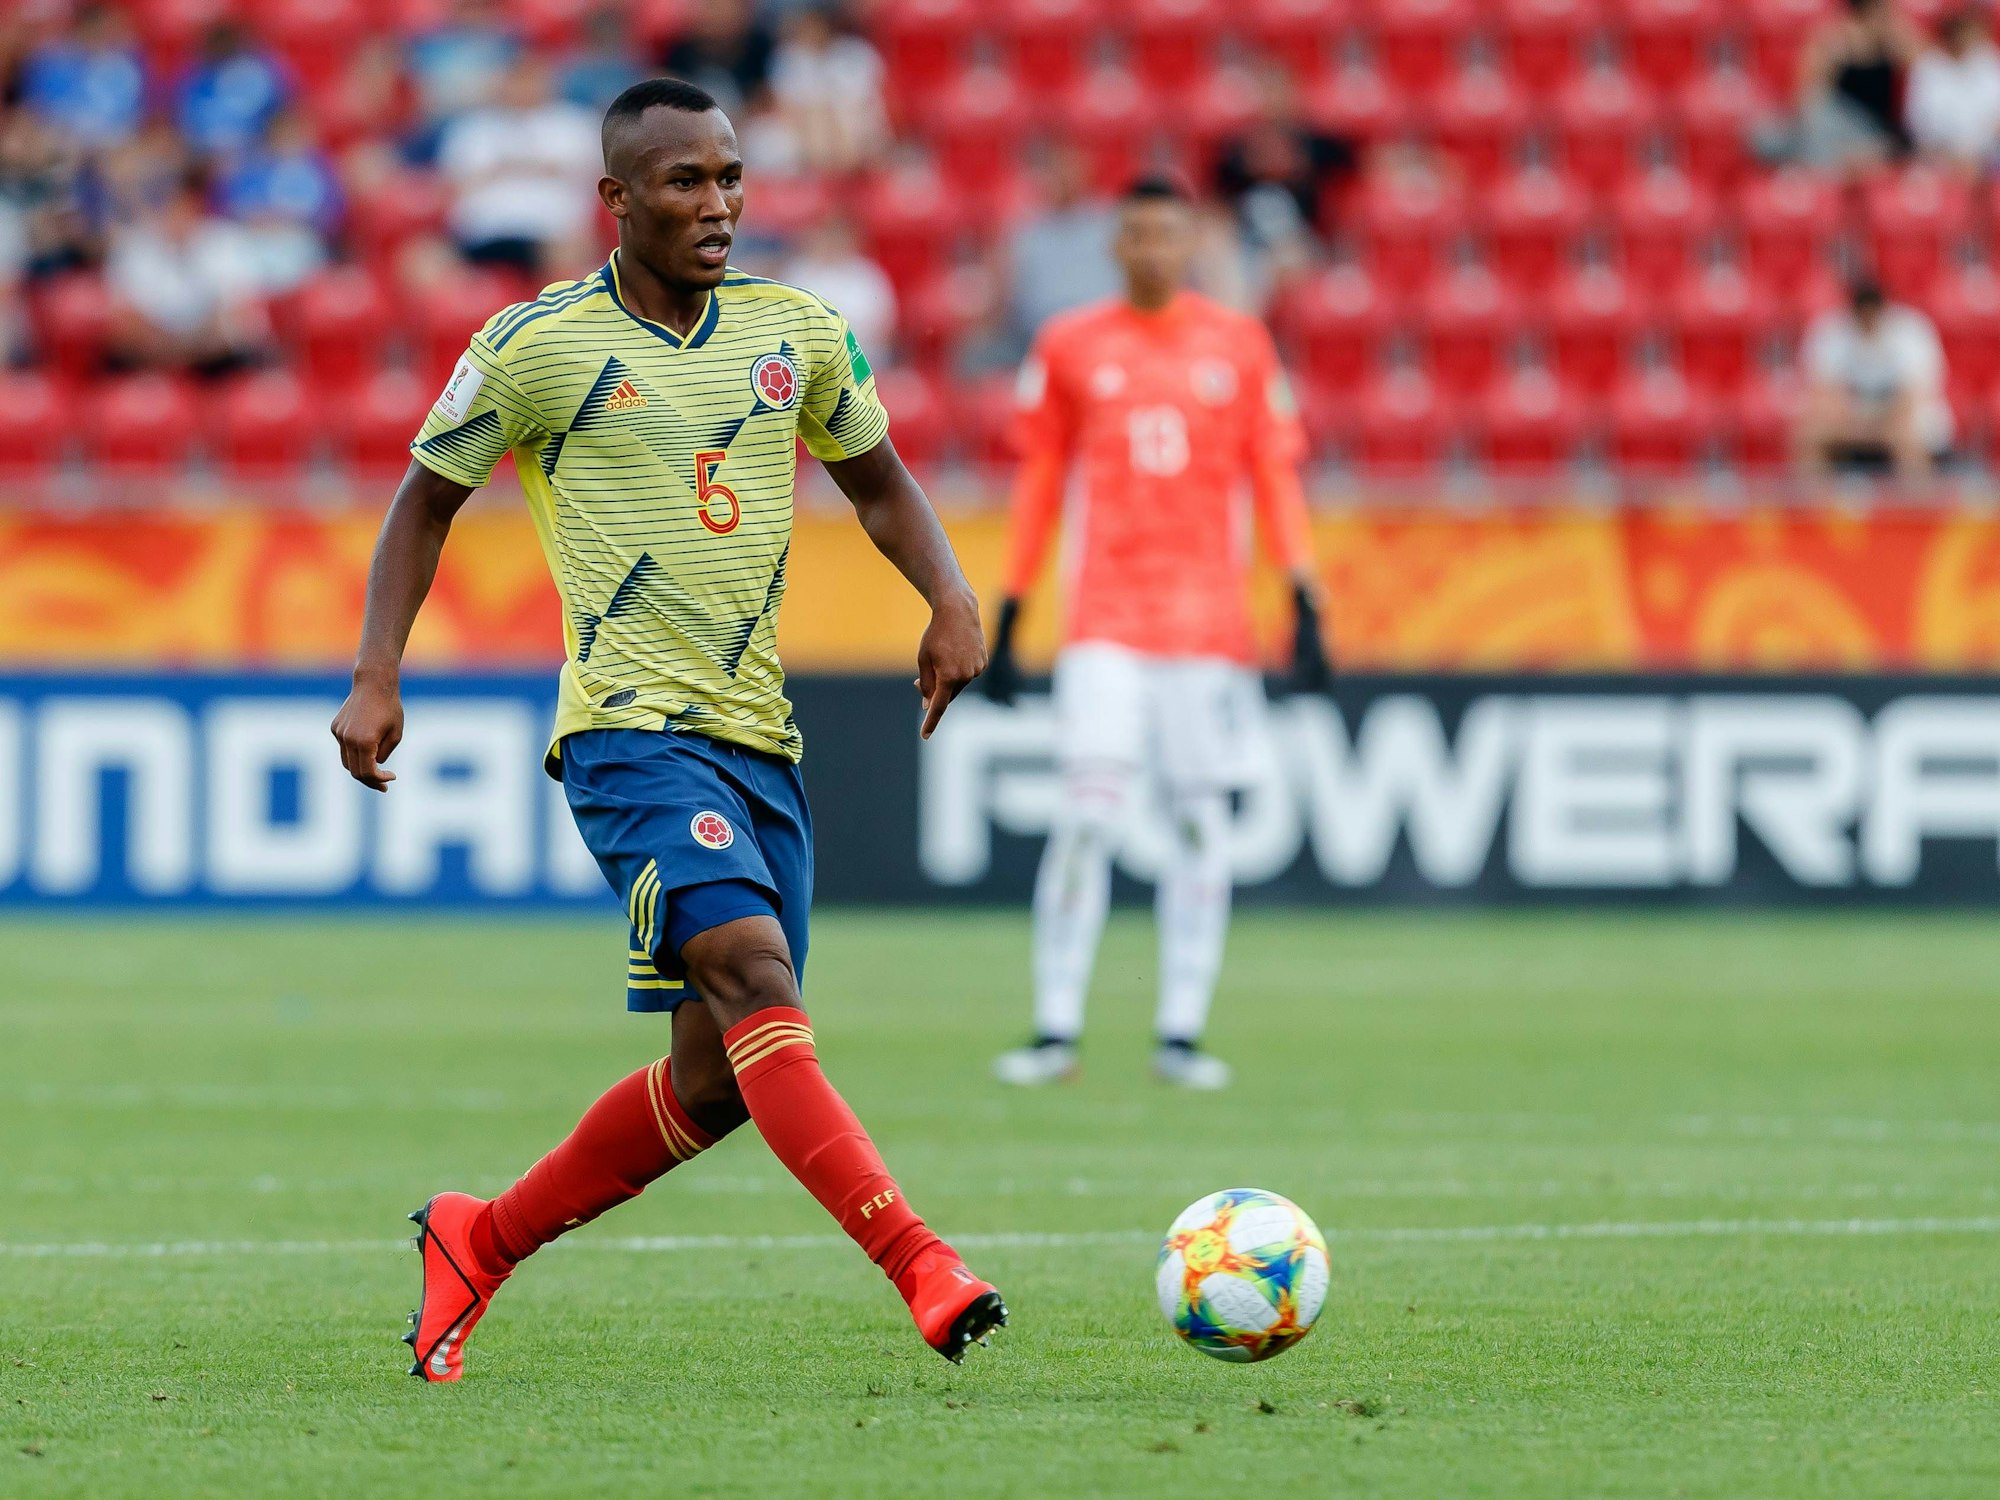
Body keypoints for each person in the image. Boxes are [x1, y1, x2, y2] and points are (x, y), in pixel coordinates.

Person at [330, 77, 1004, 1383]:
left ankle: (480, 1237)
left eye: (730, 177)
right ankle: (922, 1263)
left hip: (762, 743)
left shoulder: (798, 332)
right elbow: (424, 502)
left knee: (717, 1079)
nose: (717, 204)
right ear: (616, 199)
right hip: (628, 735)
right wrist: (376, 674)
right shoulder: (537, 346)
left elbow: (877, 482)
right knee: (754, 975)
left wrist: (951, 598)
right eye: (685, 181)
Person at [983, 177, 1330, 1091]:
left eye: (1168, 234)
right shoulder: (1069, 344)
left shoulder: (1240, 345)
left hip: (1209, 630)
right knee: (1089, 817)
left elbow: (1275, 476)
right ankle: (1056, 1027)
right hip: (1106, 620)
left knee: (1200, 824)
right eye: (1136, 234)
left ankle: (1180, 1030)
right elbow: (1041, 482)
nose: (1152, 250)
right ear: (1116, 245)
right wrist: (1012, 605)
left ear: (1191, 245)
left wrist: (1303, 593)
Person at [436, 58, 601, 276]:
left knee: (576, 260)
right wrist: (536, 168)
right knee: (428, 260)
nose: (522, 88)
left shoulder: (576, 124)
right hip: (481, 235)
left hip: (552, 233)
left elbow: (592, 178)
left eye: (530, 80)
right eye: (516, 80)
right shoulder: (472, 128)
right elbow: (455, 184)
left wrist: (507, 168)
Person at [1795, 275, 1952, 479]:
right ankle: (1816, 499)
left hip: (1899, 420)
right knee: (1810, 435)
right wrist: (1858, 425)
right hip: (1850, 422)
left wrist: (1878, 425)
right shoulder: (1830, 331)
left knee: (1907, 438)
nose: (1868, 321)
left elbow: (1913, 396)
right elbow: (1823, 394)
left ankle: (1916, 497)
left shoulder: (1911, 331)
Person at [1793, 0, 1924, 169]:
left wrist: (1898, 34)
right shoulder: (1831, 41)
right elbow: (1808, 99)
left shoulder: (1892, 39)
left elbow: (1930, 72)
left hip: (1879, 132)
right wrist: (1837, 55)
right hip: (1841, 129)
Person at [1906, 5, 2000, 171]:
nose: (1966, 37)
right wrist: (1949, 153)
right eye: (1962, 30)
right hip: (1939, 156)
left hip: (1986, 158)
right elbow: (1917, 122)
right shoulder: (1928, 66)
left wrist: (1976, 153)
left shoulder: (1990, 61)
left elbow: (1995, 120)